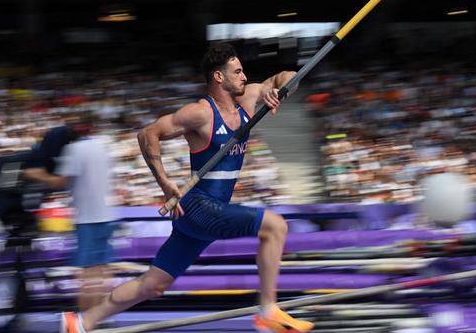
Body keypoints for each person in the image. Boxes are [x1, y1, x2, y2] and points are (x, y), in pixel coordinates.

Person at [60, 43, 314, 333]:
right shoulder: (200, 113)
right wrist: (165, 183)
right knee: (275, 226)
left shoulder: (249, 99)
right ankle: (268, 310)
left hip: (200, 212)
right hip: (197, 207)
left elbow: (286, 77)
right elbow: (147, 134)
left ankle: (80, 322)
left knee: (153, 285)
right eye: (238, 71)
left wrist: (278, 89)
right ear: (219, 77)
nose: (245, 77)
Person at [24, 112, 118, 312]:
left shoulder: (74, 150)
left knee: (87, 275)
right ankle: (100, 318)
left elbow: (61, 182)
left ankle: (85, 322)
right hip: (107, 215)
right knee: (101, 271)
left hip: (88, 218)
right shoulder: (102, 145)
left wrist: (37, 175)